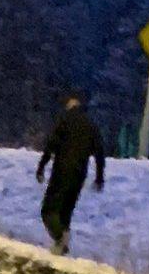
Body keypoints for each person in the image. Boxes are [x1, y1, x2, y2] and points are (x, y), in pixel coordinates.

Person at [35, 93, 107, 256]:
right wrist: (99, 177)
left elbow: (51, 145)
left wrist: (41, 167)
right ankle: (61, 248)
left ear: (69, 105)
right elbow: (100, 153)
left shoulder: (64, 120)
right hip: (79, 173)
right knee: (65, 211)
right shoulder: (91, 125)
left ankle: (60, 238)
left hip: (62, 170)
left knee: (48, 210)